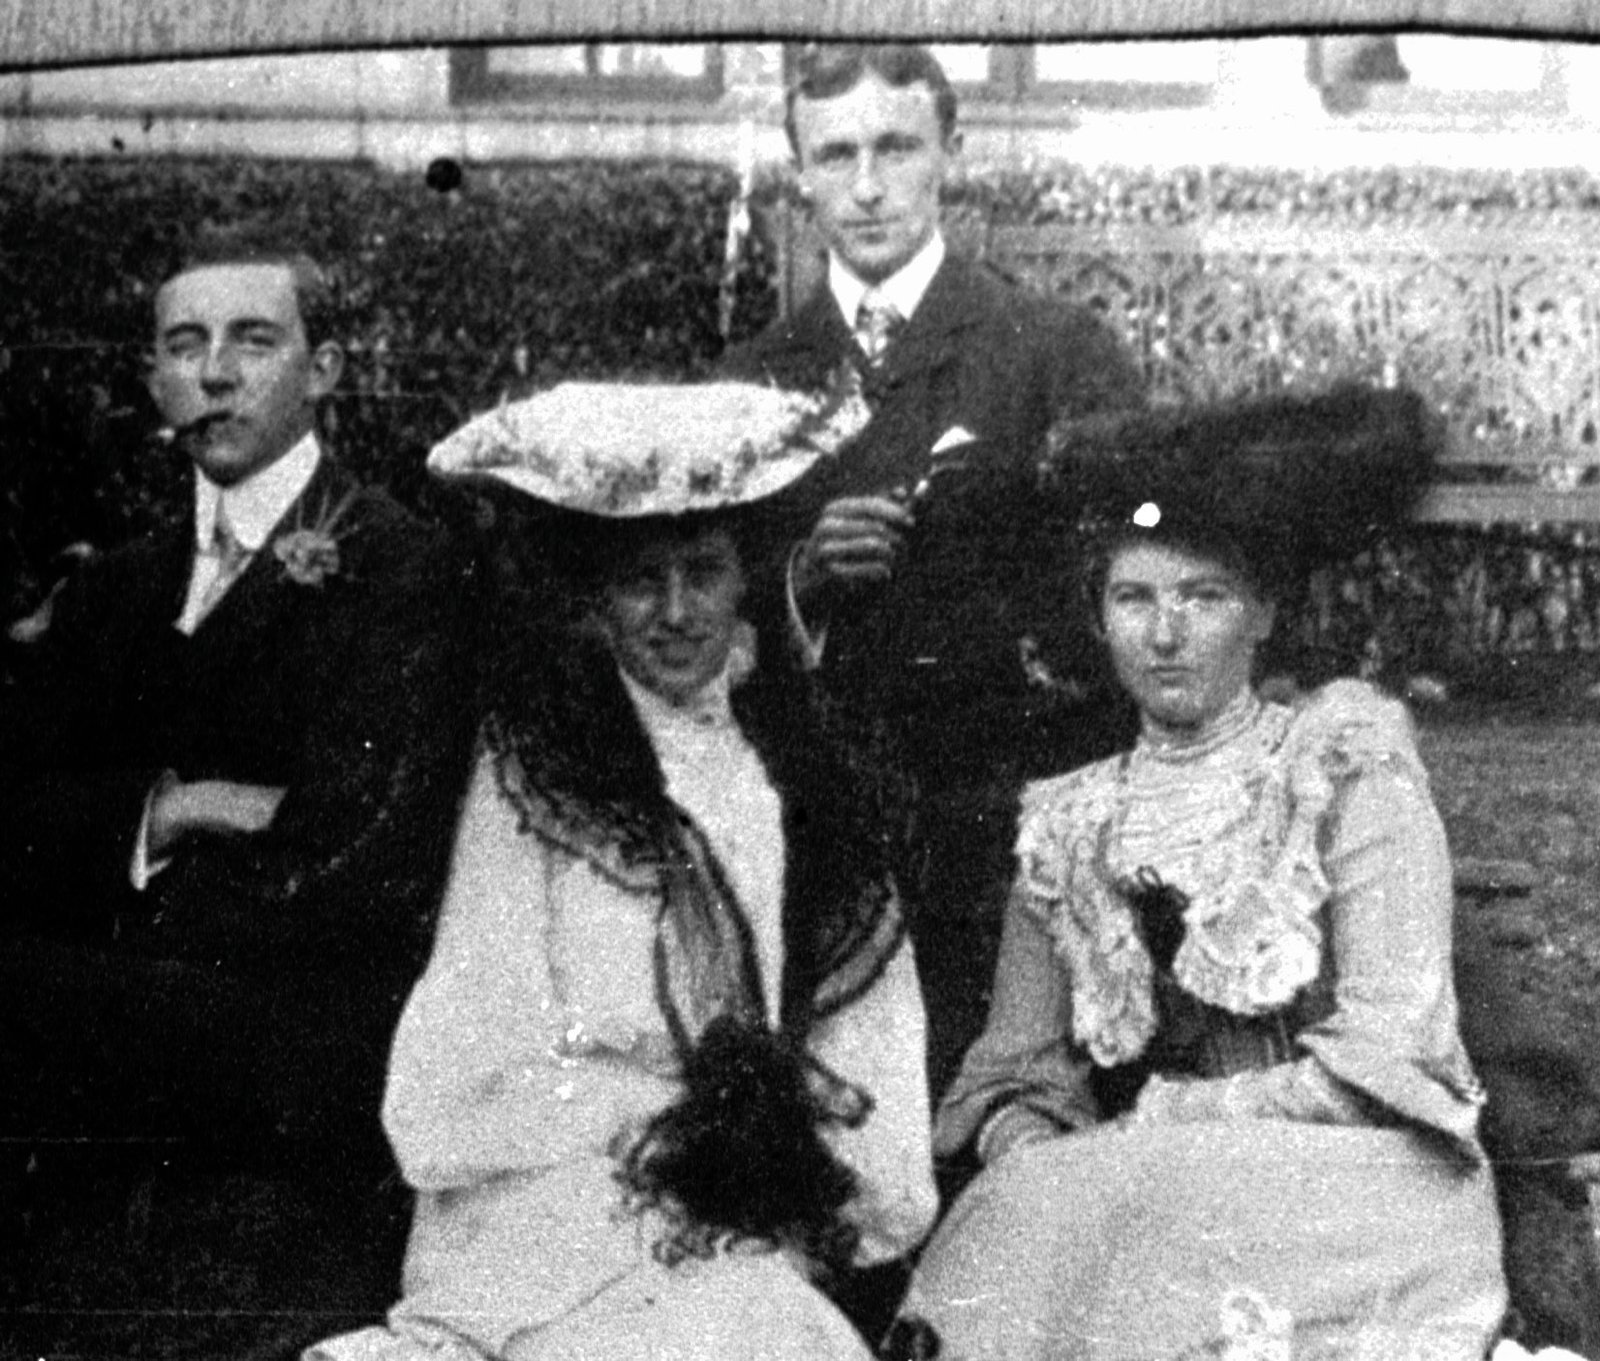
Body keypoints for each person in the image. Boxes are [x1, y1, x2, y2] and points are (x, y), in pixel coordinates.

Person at [307, 379, 938, 1361]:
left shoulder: (798, 766)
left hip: (751, 1208)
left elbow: (870, 1051)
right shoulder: (539, 773)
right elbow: (468, 1056)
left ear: (745, 578)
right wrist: (643, 1126)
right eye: (643, 580)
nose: (678, 612)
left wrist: (785, 1166)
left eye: (704, 572)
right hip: (550, 1210)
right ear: (595, 598)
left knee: (756, 1320)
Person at [894, 383, 1509, 1361]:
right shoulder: (1068, 821)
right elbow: (1017, 1068)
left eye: (1203, 596)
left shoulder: (1340, 761)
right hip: (1143, 1196)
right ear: (1098, 617)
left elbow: (1393, 1054)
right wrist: (1041, 1154)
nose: (1165, 633)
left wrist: (1161, 1124)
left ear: (1263, 611)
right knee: (1022, 1232)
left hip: (1358, 1186)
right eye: (1133, 598)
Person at [0, 226, 477, 1358]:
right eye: (185, 345)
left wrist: (92, 889)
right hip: (88, 1135)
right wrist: (172, 809)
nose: (214, 373)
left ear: (324, 368)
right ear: (153, 378)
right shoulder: (114, 588)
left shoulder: (404, 569)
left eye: (253, 340)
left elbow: (364, 857)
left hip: (283, 1123)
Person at [721, 42, 1145, 1097]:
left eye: (897, 148)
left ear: (950, 152)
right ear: (800, 174)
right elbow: (705, 613)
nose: (867, 186)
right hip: (813, 811)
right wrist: (802, 579)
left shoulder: (1053, 351)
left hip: (1005, 806)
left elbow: (1117, 585)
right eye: (836, 156)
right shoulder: (750, 380)